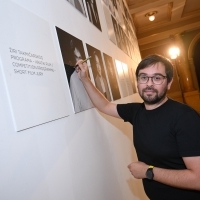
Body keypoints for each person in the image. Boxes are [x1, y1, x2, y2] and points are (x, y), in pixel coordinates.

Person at [75, 54, 200, 200]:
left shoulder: (185, 118)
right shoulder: (136, 111)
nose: (149, 84)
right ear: (138, 82)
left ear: (169, 83)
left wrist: (148, 172)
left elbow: (198, 179)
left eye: (157, 78)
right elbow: (105, 106)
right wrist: (84, 79)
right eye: (143, 77)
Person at [64, 40, 93, 113]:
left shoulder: (86, 73)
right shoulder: (73, 78)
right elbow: (76, 109)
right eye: (76, 58)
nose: (80, 61)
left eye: (80, 57)